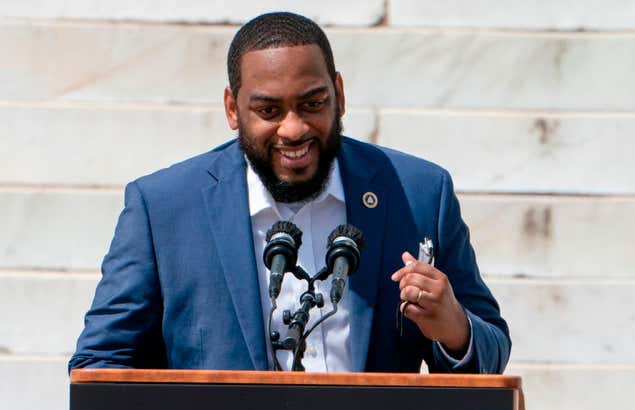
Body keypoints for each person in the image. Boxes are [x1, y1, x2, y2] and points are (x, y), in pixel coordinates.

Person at [69, 12, 510, 374]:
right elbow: (98, 366)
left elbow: (491, 353)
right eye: (269, 110)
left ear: (338, 94)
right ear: (232, 109)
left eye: (313, 104)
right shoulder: (163, 208)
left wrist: (454, 329)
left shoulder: (418, 194)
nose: (294, 128)